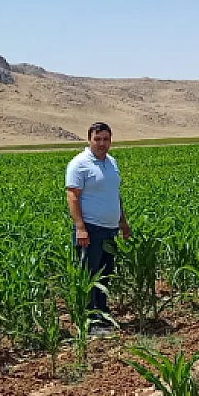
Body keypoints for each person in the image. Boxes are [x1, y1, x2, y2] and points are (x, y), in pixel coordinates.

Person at [65, 122, 131, 335]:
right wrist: (80, 227)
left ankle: (102, 314)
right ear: (89, 140)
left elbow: (114, 194)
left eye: (106, 139)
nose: (102, 143)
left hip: (109, 229)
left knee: (104, 275)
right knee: (89, 275)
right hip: (91, 230)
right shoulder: (79, 164)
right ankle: (90, 322)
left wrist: (122, 221)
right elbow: (72, 196)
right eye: (98, 139)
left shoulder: (111, 162)